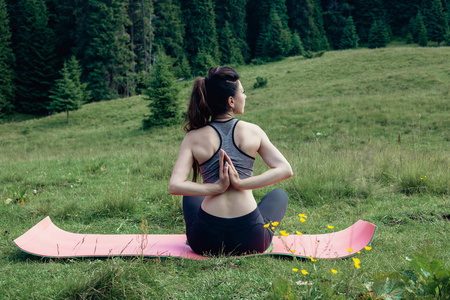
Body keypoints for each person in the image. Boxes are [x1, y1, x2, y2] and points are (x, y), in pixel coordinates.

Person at [169, 66, 293, 256]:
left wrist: (214, 188)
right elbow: (285, 169)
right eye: (242, 92)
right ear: (231, 101)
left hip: (204, 241)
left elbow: (175, 186)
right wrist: (242, 184)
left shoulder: (193, 137)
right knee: (279, 195)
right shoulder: (253, 131)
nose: (245, 96)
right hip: (251, 240)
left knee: (190, 195)